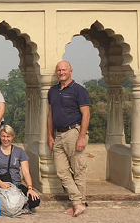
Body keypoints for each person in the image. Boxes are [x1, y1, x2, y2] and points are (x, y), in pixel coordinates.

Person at [47, 61, 90, 217]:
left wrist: (81, 137)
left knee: (78, 170)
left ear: (71, 71)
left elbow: (86, 114)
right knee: (61, 171)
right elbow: (50, 114)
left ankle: (77, 204)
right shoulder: (53, 91)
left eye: (64, 69)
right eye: (58, 70)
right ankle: (79, 202)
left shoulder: (79, 90)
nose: (61, 72)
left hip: (74, 132)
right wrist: (49, 136)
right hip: (59, 134)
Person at [0, 125, 40, 213]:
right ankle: (13, 207)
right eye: (3, 136)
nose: (6, 139)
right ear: (0, 136)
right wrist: (0, 183)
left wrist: (30, 188)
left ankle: (9, 207)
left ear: (12, 137)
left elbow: (26, 171)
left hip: (16, 183)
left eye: (8, 136)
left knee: (35, 200)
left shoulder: (20, 152)